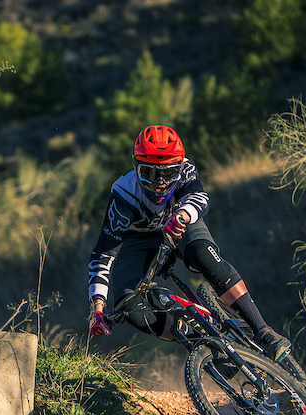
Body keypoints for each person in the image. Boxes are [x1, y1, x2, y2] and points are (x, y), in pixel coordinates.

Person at [87, 124, 292, 361]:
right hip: (138, 241)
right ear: (135, 168)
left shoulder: (187, 170)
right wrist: (98, 307)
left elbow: (200, 197)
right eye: (150, 174)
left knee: (203, 254)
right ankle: (200, 344)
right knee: (128, 306)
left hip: (180, 222)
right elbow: (103, 254)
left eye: (169, 174)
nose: (160, 183)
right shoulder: (123, 193)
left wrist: (183, 215)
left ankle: (263, 330)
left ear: (180, 167)